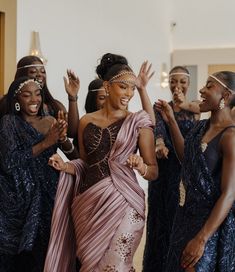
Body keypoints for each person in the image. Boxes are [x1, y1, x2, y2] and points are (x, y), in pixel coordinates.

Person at [44, 53, 158, 272]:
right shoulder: (87, 121)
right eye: (123, 87)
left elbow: (153, 171)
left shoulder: (138, 122)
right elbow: (85, 163)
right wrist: (65, 166)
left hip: (126, 203)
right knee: (90, 265)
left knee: (117, 265)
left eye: (132, 88)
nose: (129, 93)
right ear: (107, 86)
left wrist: (141, 166)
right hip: (88, 203)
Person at [156, 71, 235, 271]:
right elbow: (187, 159)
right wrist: (171, 121)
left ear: (225, 96)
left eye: (209, 86)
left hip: (208, 226)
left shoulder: (230, 137)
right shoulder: (200, 126)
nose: (201, 90)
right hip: (183, 218)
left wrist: (201, 239)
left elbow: (229, 194)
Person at [0, 76, 70, 271]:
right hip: (18, 199)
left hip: (49, 194)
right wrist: (46, 143)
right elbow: (9, 162)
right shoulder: (9, 123)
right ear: (16, 100)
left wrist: (62, 139)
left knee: (46, 250)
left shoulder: (50, 121)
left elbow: (74, 154)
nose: (34, 99)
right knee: (20, 256)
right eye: (27, 95)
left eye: (38, 94)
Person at [143, 66, 200, 271]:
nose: (178, 86)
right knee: (160, 220)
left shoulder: (195, 108)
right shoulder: (161, 107)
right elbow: (158, 128)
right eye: (174, 81)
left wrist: (183, 104)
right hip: (164, 171)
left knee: (179, 219)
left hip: (183, 172)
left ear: (189, 84)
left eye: (182, 82)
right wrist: (159, 144)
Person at [0, 55, 80, 139]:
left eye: (43, 71)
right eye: (33, 72)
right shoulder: (6, 104)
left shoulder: (54, 105)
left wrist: (72, 97)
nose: (39, 75)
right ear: (22, 75)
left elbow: (72, 133)